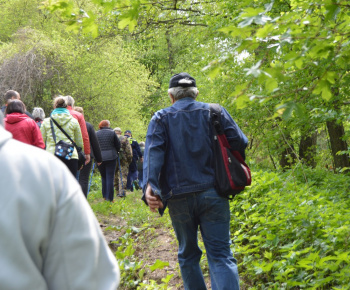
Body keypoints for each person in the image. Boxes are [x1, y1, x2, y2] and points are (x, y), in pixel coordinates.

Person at [142, 72, 248, 290]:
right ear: (196, 93)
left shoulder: (160, 118)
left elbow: (154, 153)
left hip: (179, 198)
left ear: (171, 96)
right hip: (214, 192)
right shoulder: (214, 111)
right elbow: (240, 141)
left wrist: (150, 186)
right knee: (220, 255)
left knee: (188, 255)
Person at [0, 111, 120, 290]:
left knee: (99, 179)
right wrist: (89, 155)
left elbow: (43, 140)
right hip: (70, 156)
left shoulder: (48, 122)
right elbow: (85, 279)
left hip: (52, 153)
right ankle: (99, 199)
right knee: (91, 180)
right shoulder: (45, 172)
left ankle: (102, 197)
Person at [40, 96, 84, 177]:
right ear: (67, 106)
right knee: (70, 186)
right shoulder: (74, 121)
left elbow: (41, 141)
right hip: (71, 156)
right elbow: (79, 143)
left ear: (54, 106)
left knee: (53, 186)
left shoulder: (46, 122)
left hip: (52, 156)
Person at [74, 106, 103, 197]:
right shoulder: (88, 125)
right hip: (87, 155)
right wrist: (99, 158)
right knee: (84, 179)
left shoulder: (69, 124)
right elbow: (95, 142)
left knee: (73, 177)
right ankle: (83, 201)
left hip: (72, 154)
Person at [96, 120, 121, 202]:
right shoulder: (112, 133)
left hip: (100, 157)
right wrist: (116, 151)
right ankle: (110, 198)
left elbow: (94, 145)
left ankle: (105, 196)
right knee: (110, 177)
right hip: (111, 157)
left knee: (103, 176)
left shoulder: (96, 133)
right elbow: (118, 145)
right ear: (108, 125)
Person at [65, 95, 91, 166]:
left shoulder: (54, 115)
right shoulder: (78, 115)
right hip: (73, 151)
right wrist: (86, 152)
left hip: (57, 151)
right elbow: (84, 135)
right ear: (73, 104)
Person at [113, 127, 133, 198]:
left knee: (114, 175)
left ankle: (117, 191)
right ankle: (122, 192)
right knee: (123, 175)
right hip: (123, 159)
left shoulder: (111, 137)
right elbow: (128, 151)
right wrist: (129, 160)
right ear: (120, 132)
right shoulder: (124, 138)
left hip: (113, 159)